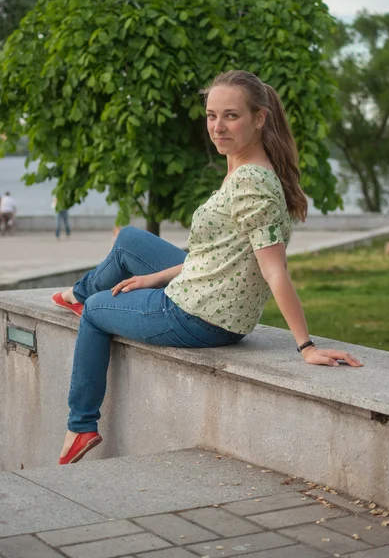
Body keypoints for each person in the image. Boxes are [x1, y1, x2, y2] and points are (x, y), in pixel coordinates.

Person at [52, 70, 363, 465]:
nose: (218, 127)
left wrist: (306, 346)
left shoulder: (252, 182)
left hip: (198, 317)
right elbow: (217, 255)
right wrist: (154, 277)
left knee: (96, 311)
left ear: (260, 118)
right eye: (211, 115)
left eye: (231, 116)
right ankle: (78, 294)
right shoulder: (241, 165)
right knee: (130, 240)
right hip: (208, 289)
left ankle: (81, 426)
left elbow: (274, 271)